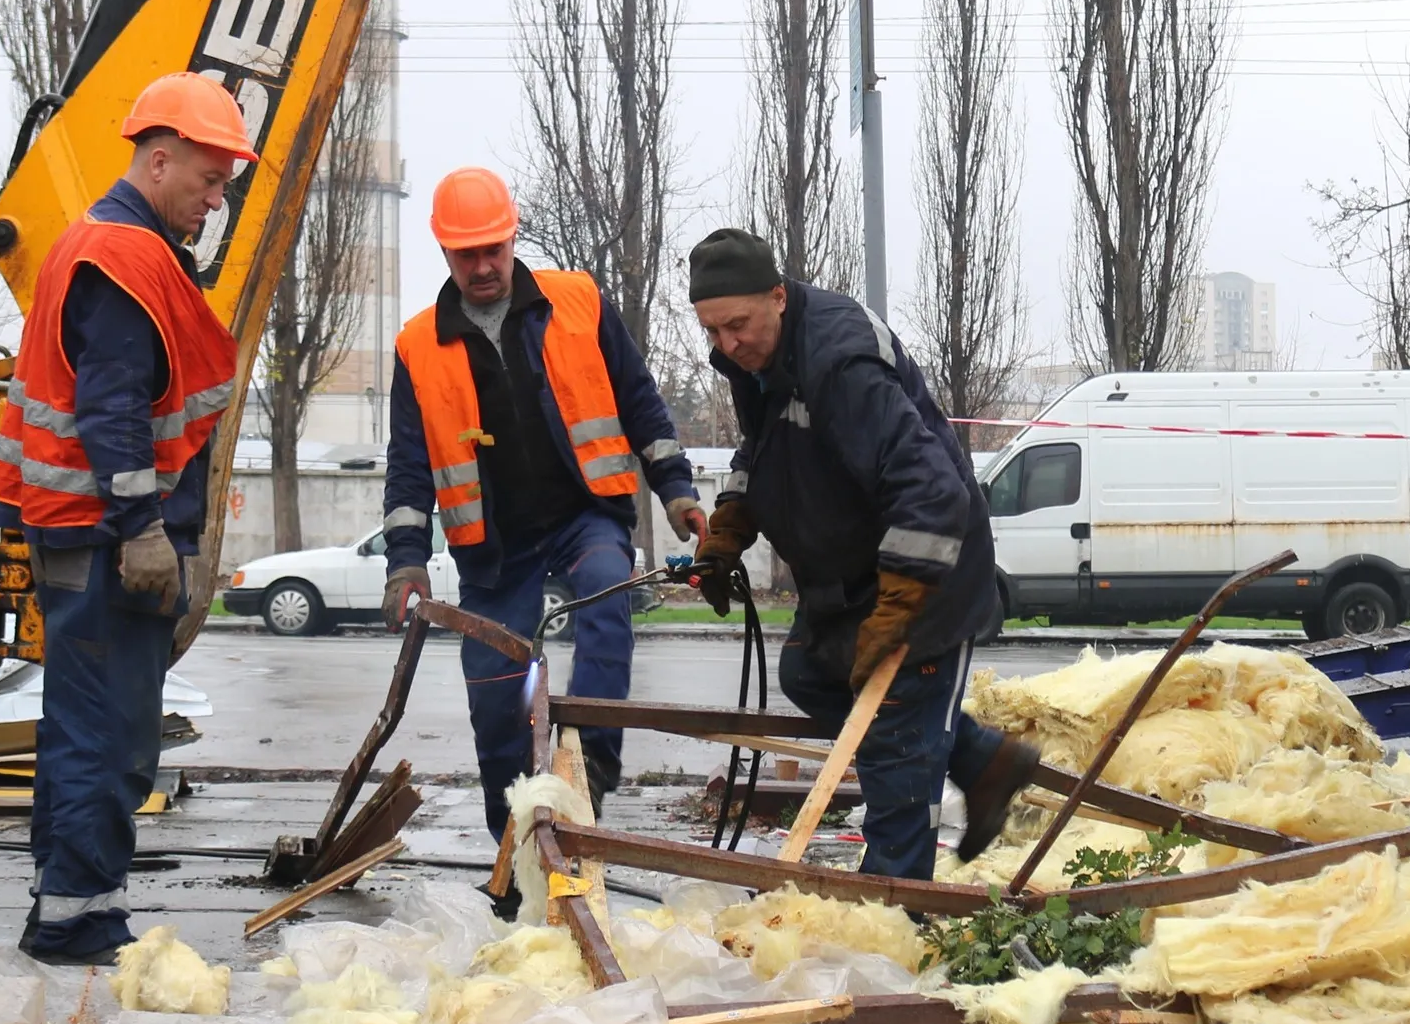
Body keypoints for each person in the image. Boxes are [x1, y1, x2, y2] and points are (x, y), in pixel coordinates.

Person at [0, 72, 251, 964]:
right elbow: (112, 410)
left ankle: (63, 906)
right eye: (209, 181)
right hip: (107, 539)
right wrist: (143, 525)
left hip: (78, 531)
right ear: (160, 157)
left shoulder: (100, 244)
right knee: (112, 735)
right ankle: (79, 922)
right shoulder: (125, 258)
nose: (216, 203)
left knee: (82, 724)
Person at [686, 227, 1039, 881]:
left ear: (777, 297)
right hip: (846, 581)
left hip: (923, 575)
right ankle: (985, 761)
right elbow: (760, 455)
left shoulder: (839, 363)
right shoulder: (754, 364)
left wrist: (901, 604)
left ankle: (894, 923)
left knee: (895, 738)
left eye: (737, 325)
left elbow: (931, 488)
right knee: (809, 676)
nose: (727, 346)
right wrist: (729, 526)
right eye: (712, 332)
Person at [381, 168, 704, 845]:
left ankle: (590, 768)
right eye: (466, 254)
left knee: (604, 594)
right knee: (497, 697)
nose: (483, 265)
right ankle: (514, 851)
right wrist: (405, 562)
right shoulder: (418, 347)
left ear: (511, 236)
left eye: (492, 248)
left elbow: (640, 400)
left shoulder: (578, 301)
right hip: (496, 552)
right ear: (444, 252)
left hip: (584, 517)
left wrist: (674, 487)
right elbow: (409, 467)